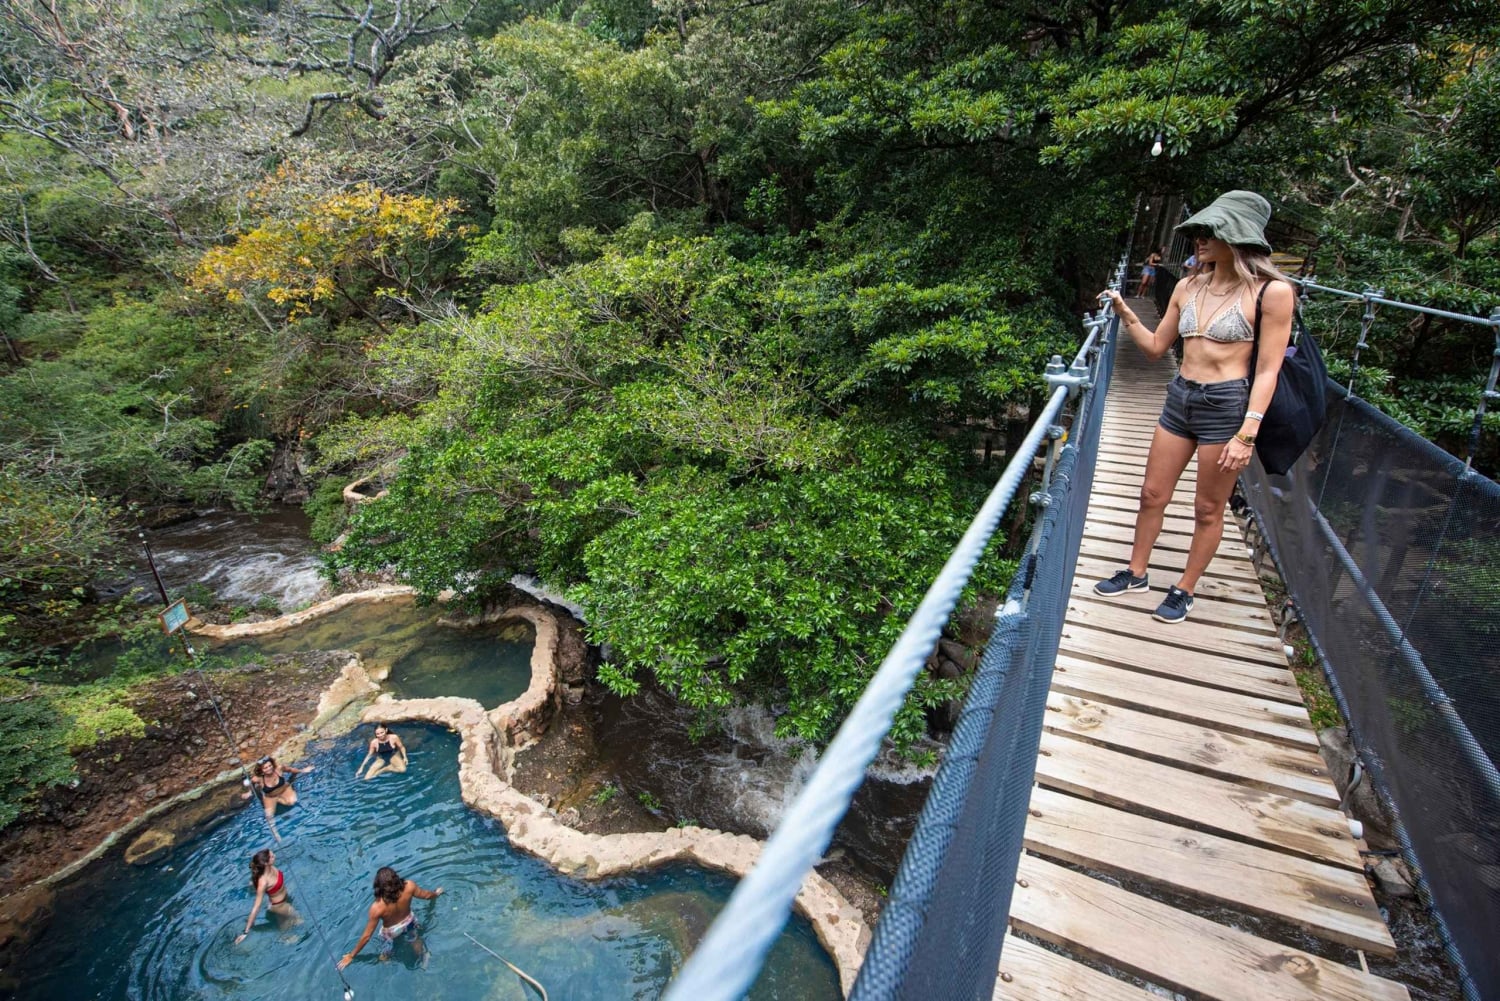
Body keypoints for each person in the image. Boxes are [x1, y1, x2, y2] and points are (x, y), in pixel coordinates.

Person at [1099, 190, 1294, 624]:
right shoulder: (1188, 285)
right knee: (1152, 494)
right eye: (1197, 232)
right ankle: (1136, 572)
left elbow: (1268, 372)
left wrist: (1247, 434)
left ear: (1236, 236)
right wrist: (1125, 312)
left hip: (1226, 407)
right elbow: (1155, 348)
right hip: (1180, 395)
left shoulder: (1273, 293)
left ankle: (1184, 588)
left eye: (1209, 233)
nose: (1198, 241)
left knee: (1207, 508)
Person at [337, 866, 444, 969]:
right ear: (396, 878)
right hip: (409, 921)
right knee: (414, 938)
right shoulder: (409, 886)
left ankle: (387, 959)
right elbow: (427, 896)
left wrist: (351, 955)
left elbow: (366, 936)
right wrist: (436, 893)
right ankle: (424, 955)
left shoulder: (377, 907)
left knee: (385, 954)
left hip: (391, 932)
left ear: (378, 886)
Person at [235, 848, 300, 943]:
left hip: (285, 899)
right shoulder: (263, 882)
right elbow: (256, 907)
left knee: (294, 924)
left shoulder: (271, 867)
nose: (275, 856)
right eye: (272, 856)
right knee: (294, 929)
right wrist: (245, 932)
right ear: (266, 863)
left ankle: (282, 935)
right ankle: (281, 940)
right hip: (279, 906)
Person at [241, 755, 313, 823]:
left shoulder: (279, 769)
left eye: (270, 766)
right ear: (261, 770)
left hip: (284, 789)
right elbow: (251, 783)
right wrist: (250, 792)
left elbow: (291, 770)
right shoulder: (258, 778)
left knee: (292, 802)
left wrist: (302, 770)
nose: (269, 768)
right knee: (269, 817)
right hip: (270, 796)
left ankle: (280, 799)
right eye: (265, 768)